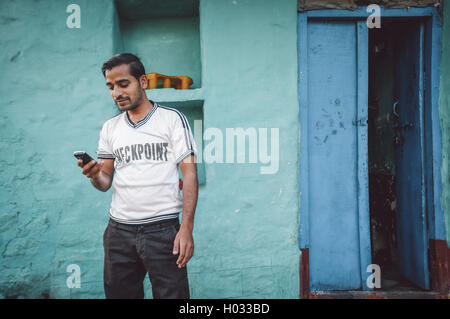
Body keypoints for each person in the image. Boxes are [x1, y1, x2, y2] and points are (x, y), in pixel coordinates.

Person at [77, 53, 198, 299]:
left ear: (142, 82)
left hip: (163, 231)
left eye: (123, 84)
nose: (116, 93)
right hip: (119, 233)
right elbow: (105, 181)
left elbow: (190, 174)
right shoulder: (110, 128)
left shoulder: (172, 119)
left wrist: (186, 228)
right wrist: (93, 175)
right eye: (111, 87)